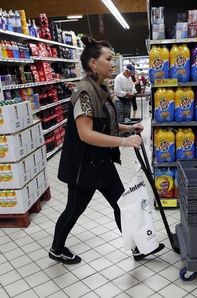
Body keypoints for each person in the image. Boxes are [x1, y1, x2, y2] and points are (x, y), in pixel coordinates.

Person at [50, 36, 164, 265]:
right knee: (74, 209)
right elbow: (86, 133)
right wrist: (124, 142)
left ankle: (137, 247)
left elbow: (104, 124)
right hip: (83, 166)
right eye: (109, 59)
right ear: (93, 63)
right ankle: (56, 248)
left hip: (100, 162)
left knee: (121, 203)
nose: (113, 64)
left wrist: (127, 128)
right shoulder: (84, 92)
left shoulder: (100, 88)